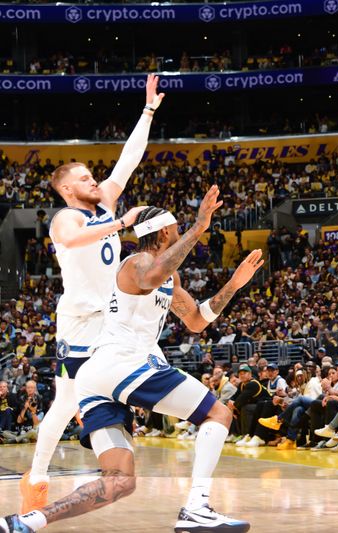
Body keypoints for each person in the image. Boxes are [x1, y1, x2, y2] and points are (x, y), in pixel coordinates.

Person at [2, 187, 263, 533]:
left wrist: (233, 284)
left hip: (98, 377)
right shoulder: (136, 263)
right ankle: (197, 506)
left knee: (119, 482)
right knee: (219, 412)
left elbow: (197, 320)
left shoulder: (168, 277)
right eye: (177, 228)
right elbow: (153, 274)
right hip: (124, 362)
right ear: (167, 231)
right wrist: (200, 226)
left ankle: (26, 522)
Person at [18, 75, 164, 515]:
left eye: (92, 174)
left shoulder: (104, 204)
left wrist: (148, 111)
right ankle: (39, 477)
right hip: (81, 324)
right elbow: (78, 239)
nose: (95, 180)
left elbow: (128, 162)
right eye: (85, 177)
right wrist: (121, 224)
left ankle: (120, 437)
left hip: (116, 319)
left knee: (155, 369)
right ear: (67, 189)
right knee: (65, 403)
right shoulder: (65, 218)